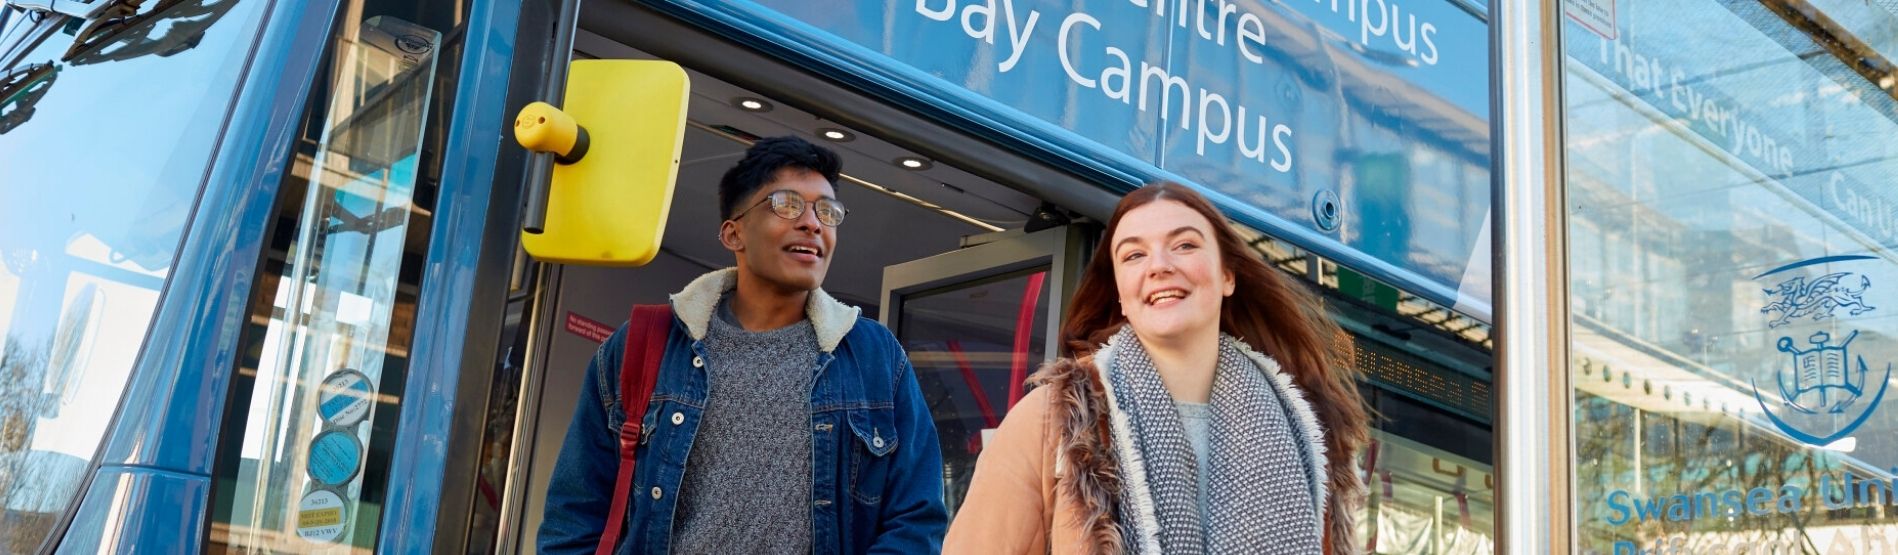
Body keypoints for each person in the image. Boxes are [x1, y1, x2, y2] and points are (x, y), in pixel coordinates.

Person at [540, 136, 947, 554]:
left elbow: (917, 520)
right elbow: (575, 516)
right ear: (733, 234)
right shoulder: (645, 343)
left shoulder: (873, 356)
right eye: (787, 205)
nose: (813, 223)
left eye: (827, 211)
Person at [943, 182, 1368, 554]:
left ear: (1227, 276)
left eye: (1184, 245)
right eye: (1133, 255)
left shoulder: (1306, 433)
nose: (1160, 266)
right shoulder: (1055, 419)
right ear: (1121, 296)